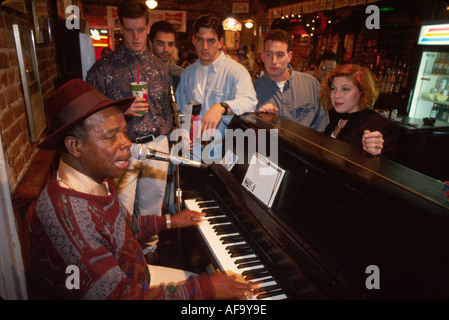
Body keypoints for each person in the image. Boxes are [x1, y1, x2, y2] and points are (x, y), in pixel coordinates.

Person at [29, 79, 256, 300]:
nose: (127, 142)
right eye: (111, 136)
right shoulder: (68, 221)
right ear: (74, 146)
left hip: (137, 279)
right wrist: (205, 288)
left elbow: (122, 227)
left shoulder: (95, 178)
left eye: (124, 132)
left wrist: (170, 221)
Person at [86, 1, 171, 217]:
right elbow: (90, 118)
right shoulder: (103, 69)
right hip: (121, 146)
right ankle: (126, 251)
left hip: (157, 144)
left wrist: (164, 137)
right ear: (120, 28)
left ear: (148, 28)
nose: (136, 37)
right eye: (130, 30)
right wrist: (120, 112)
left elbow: (166, 109)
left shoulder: (160, 67)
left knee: (153, 208)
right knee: (121, 208)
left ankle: (150, 250)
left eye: (141, 30)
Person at [175, 14, 257, 160]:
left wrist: (221, 107)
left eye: (211, 41)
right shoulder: (187, 74)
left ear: (220, 42)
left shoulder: (236, 71)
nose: (204, 46)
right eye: (200, 39)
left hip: (221, 154)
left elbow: (250, 100)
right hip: (191, 153)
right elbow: (181, 110)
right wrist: (182, 132)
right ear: (194, 40)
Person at [254, 29, 329, 132]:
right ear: (263, 56)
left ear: (289, 57)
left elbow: (323, 125)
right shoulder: (253, 91)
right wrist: (261, 121)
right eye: (269, 54)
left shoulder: (310, 84)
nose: (274, 61)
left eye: (280, 55)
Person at [320, 64, 400, 158]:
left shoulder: (380, 126)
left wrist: (374, 154)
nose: (337, 95)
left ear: (362, 91)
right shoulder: (334, 121)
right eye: (333, 89)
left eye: (346, 89)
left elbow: (387, 168)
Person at [148, 20, 184, 91]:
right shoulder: (142, 74)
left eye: (170, 44)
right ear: (151, 44)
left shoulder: (182, 75)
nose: (166, 49)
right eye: (160, 43)